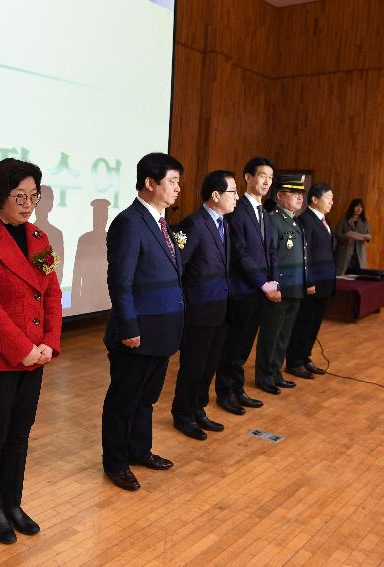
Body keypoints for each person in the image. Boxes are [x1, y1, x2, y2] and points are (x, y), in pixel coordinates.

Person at [0, 158, 63, 544]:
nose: (27, 203)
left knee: (20, 435)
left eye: (33, 195)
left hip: (35, 355)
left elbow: (51, 293)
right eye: (19, 195)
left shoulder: (40, 238)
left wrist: (49, 344)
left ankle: (13, 502)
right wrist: (22, 350)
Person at [101, 152, 185, 492]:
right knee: (124, 399)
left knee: (147, 397)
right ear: (150, 183)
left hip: (163, 330)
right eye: (172, 181)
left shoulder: (163, 223)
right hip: (137, 332)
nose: (178, 188)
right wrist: (129, 328)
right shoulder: (129, 222)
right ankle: (115, 463)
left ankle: (139, 450)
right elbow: (120, 281)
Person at [171, 171, 238, 441]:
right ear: (215, 195)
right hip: (198, 310)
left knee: (209, 365)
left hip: (220, 308)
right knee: (193, 366)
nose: (237, 197)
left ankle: (199, 409)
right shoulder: (193, 224)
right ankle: (183, 413)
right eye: (233, 191)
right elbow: (179, 267)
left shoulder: (225, 223)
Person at [214, 157, 279, 416]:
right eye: (262, 175)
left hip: (261, 290)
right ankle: (225, 392)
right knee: (232, 344)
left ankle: (238, 389)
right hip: (242, 290)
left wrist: (274, 281)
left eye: (271, 178)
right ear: (248, 177)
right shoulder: (236, 210)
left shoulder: (265, 212)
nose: (266, 182)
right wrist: (261, 282)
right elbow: (240, 253)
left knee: (245, 345)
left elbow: (272, 250)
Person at [255, 174, 310, 395]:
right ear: (279, 196)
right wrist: (273, 286)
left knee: (283, 335)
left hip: (294, 287)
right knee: (271, 334)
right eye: (294, 193)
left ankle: (276, 372)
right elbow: (270, 257)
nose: (299, 197)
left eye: (301, 194)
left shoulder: (294, 219)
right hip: (279, 289)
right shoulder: (273, 220)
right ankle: (265, 376)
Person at [286, 183, 336, 379]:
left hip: (325, 283)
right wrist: (308, 281)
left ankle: (305, 357)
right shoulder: (306, 221)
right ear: (315, 199)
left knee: (313, 324)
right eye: (328, 197)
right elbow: (304, 255)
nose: (332, 201)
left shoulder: (324, 221)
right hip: (312, 283)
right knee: (303, 324)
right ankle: (294, 361)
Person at [334, 198, 372, 275]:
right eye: (357, 206)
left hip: (359, 253)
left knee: (359, 276)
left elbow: (369, 234)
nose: (359, 209)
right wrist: (347, 238)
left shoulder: (365, 221)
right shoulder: (344, 220)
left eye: (361, 207)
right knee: (341, 274)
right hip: (344, 252)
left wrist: (367, 237)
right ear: (352, 207)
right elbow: (337, 233)